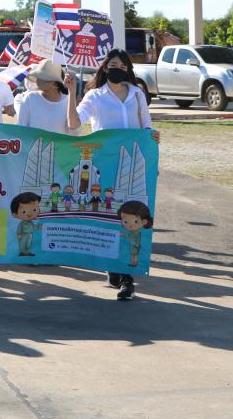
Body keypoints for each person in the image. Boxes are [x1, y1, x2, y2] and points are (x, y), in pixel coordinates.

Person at [66, 48, 161, 302]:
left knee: (131, 216)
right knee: (109, 214)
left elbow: (146, 127)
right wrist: (71, 92)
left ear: (127, 69)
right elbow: (74, 124)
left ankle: (127, 278)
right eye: (112, 65)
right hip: (106, 164)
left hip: (134, 164)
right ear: (105, 68)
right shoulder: (95, 96)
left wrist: (153, 151)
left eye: (121, 65)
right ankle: (113, 265)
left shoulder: (137, 94)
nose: (116, 69)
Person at [17, 61, 72, 133]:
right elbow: (21, 129)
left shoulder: (68, 101)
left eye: (43, 78)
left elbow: (74, 131)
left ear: (54, 82)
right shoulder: (30, 98)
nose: (39, 81)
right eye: (39, 77)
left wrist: (72, 92)